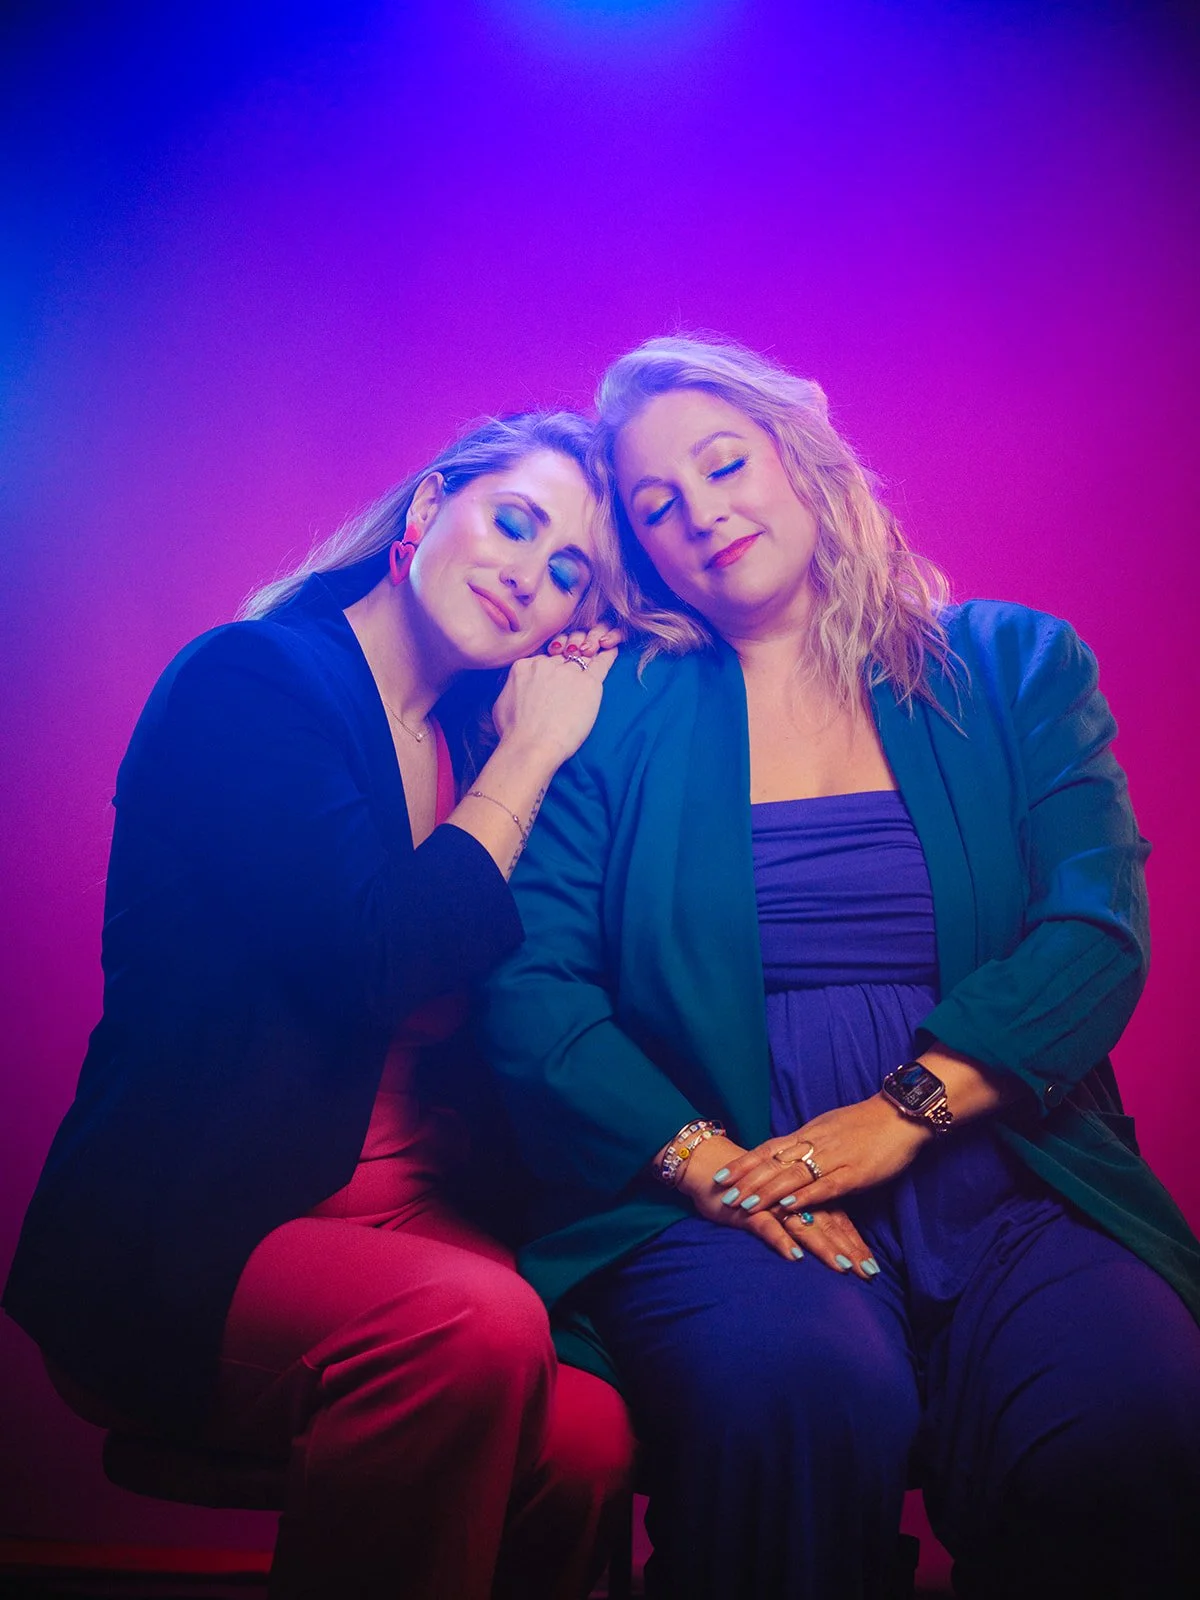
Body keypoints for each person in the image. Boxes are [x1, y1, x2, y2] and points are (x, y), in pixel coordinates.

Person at [481, 339, 1200, 1600]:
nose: (701, 513)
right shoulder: (621, 711)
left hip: (1011, 1179)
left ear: (799, 452)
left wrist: (898, 1112)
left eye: (723, 463)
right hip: (731, 1198)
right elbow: (532, 990)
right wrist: (713, 1166)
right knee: (800, 1396)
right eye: (656, 506)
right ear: (643, 553)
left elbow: (1097, 930)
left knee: (1136, 1413)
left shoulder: (1017, 665)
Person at [3, 411, 640, 1600]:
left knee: (596, 1433)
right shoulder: (251, 682)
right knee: (477, 1329)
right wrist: (529, 759)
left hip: (422, 1219)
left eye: (569, 574)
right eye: (515, 522)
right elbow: (379, 961)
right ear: (425, 512)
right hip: (203, 1231)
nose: (528, 574)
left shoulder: (463, 731)